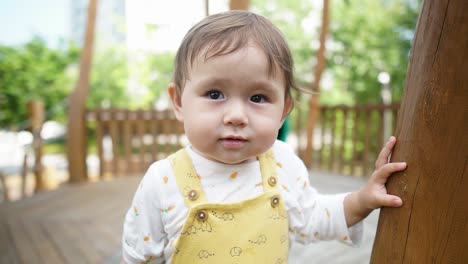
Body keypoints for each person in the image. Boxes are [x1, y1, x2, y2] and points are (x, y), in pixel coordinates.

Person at [122, 10, 406, 263]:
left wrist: (362, 200)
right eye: (214, 94)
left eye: (257, 97)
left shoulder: (281, 163)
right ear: (179, 102)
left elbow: (312, 217)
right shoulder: (162, 181)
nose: (236, 115)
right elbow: (137, 257)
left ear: (283, 111)